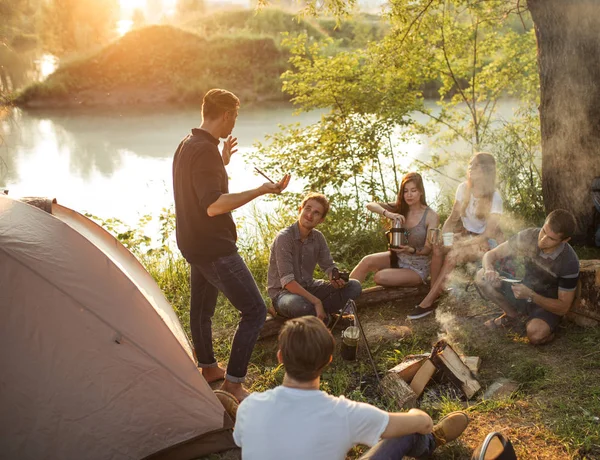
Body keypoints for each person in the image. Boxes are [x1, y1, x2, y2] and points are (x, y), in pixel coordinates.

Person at [172, 88, 291, 401]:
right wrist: (261, 190)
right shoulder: (205, 151)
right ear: (225, 114)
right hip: (214, 247)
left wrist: (222, 162)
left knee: (201, 310)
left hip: (192, 243)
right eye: (234, 117)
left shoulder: (188, 144)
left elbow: (200, 189)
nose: (234, 124)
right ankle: (234, 384)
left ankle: (209, 367)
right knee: (253, 311)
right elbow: (212, 206)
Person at [233, 316, 469, 460]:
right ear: (328, 362)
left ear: (280, 357)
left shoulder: (249, 407)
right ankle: (431, 443)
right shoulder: (344, 414)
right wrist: (417, 415)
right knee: (405, 430)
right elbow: (423, 423)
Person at [408, 152, 503, 320]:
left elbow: (488, 233)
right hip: (464, 236)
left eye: (475, 165)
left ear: (486, 171)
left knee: (453, 255)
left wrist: (463, 243)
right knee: (438, 249)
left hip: (484, 242)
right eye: (470, 164)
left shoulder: (495, 197)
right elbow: (452, 219)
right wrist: (443, 237)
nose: (470, 168)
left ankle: (427, 303)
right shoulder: (463, 189)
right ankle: (434, 294)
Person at [475, 209, 580, 345]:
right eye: (543, 231)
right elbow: (490, 255)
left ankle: (545, 325)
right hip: (523, 289)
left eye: (551, 238)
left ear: (565, 240)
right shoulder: (529, 236)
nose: (542, 239)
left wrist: (531, 295)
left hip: (546, 304)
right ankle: (512, 315)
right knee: (481, 275)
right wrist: (489, 270)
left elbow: (563, 307)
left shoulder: (569, 262)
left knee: (535, 335)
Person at [267, 192, 362, 323]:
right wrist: (317, 302)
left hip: (309, 287)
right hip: (284, 294)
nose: (310, 215)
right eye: (308, 209)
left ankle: (320, 317)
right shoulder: (284, 237)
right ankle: (329, 318)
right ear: (300, 210)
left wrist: (334, 277)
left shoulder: (318, 237)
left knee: (354, 286)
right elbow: (287, 282)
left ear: (321, 220)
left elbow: (328, 266)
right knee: (298, 304)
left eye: (316, 213)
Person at [350, 172, 439, 287]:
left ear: (421, 192)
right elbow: (370, 205)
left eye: (413, 190)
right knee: (367, 261)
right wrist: (389, 214)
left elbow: (428, 249)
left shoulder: (431, 216)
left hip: (417, 267)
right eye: (405, 191)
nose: (409, 195)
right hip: (397, 258)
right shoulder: (400, 207)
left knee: (380, 276)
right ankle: (343, 295)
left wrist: (410, 249)